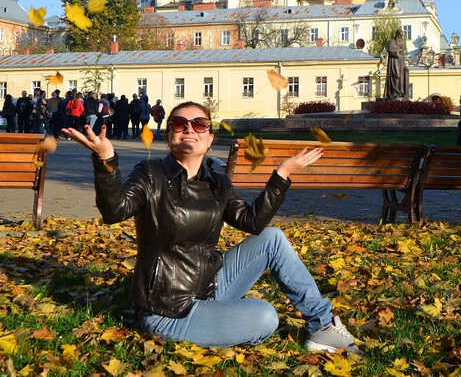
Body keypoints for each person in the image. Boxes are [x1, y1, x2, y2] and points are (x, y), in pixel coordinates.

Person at [60, 102, 361, 353]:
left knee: (272, 238)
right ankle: (216, 320)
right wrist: (106, 162)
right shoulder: (150, 175)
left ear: (209, 138)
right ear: (169, 135)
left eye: (199, 124)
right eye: (180, 124)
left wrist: (282, 174)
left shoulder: (217, 182)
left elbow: (251, 221)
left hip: (209, 287)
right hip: (169, 310)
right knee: (266, 316)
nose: (189, 129)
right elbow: (114, 211)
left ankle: (322, 326)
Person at [385, 30, 407, 100]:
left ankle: (400, 92)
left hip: (401, 60)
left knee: (401, 76)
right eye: (400, 35)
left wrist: (400, 51)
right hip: (394, 60)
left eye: (402, 36)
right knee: (395, 75)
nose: (401, 37)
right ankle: (394, 92)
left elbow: (403, 50)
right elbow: (390, 50)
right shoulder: (392, 41)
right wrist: (398, 51)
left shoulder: (402, 43)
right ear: (398, 35)